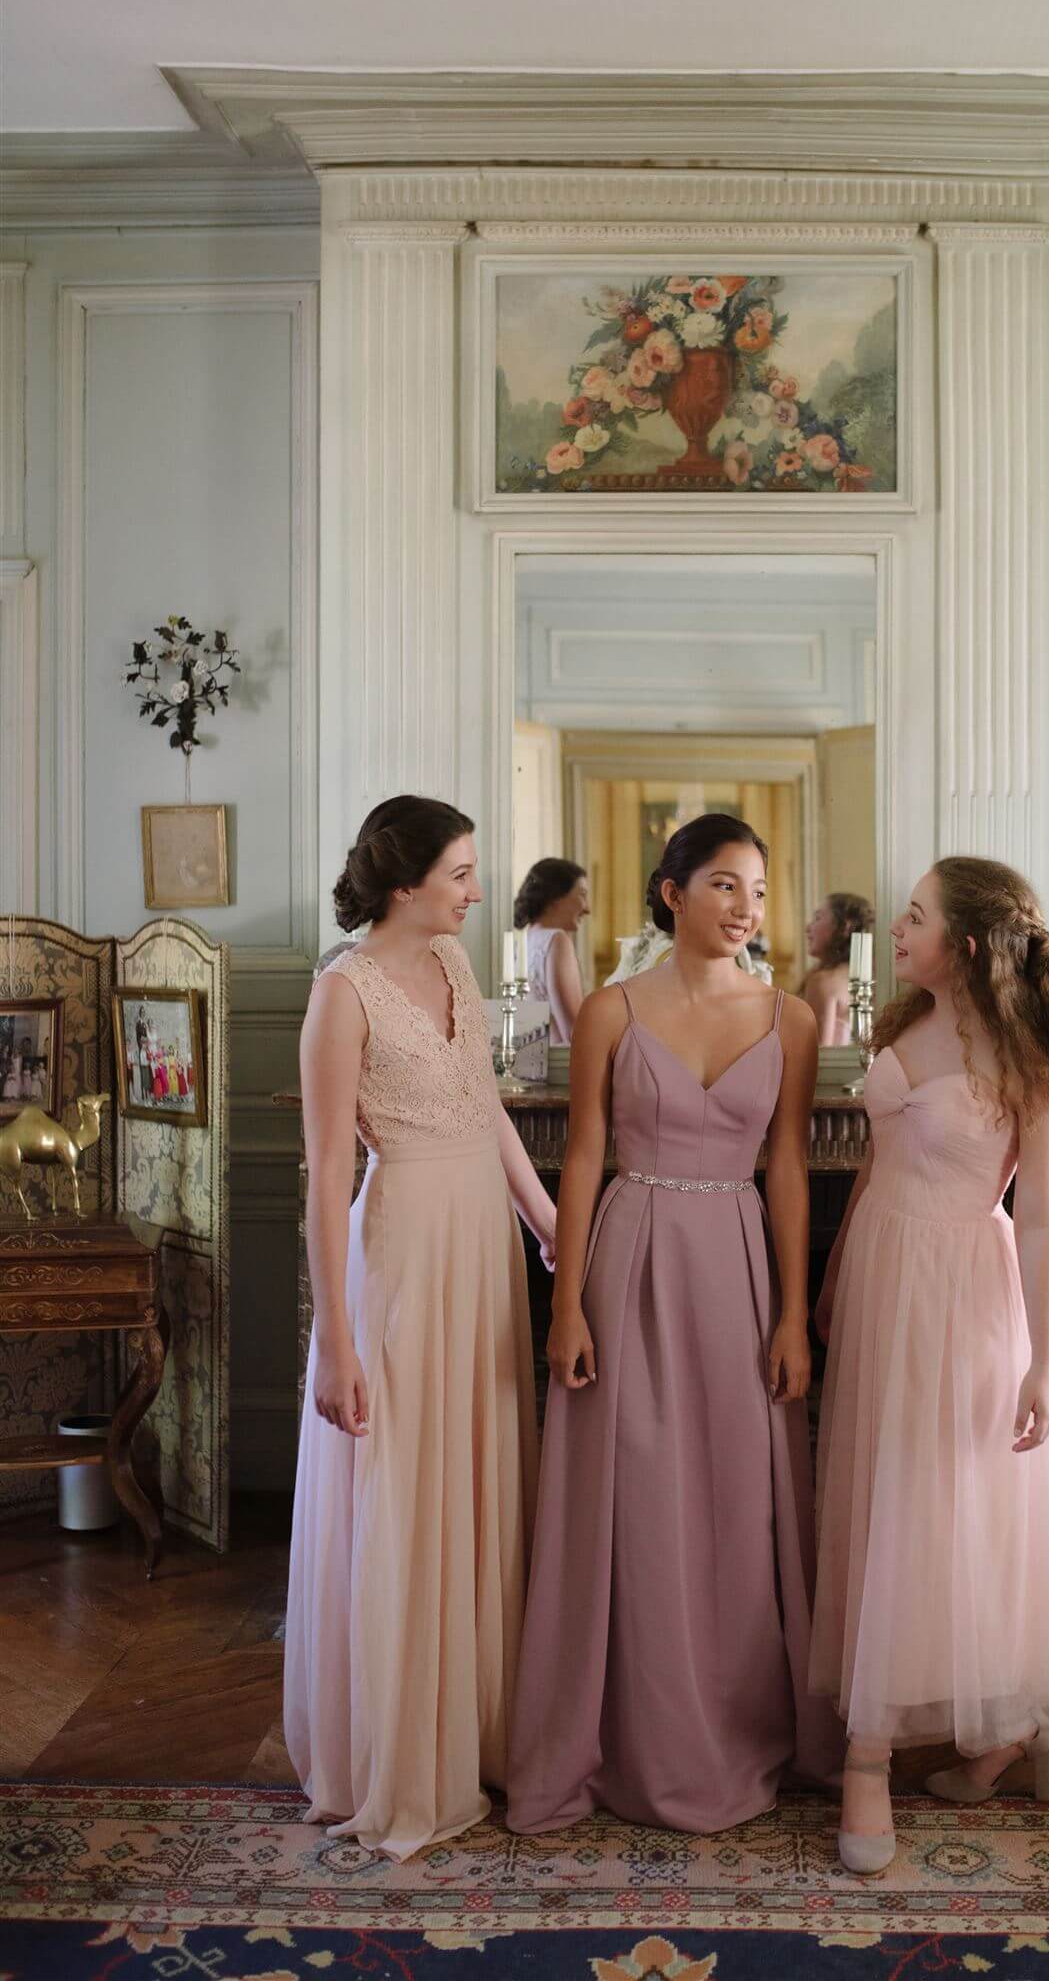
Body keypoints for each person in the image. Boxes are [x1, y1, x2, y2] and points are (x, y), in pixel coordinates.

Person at [508, 813, 842, 1834]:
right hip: (632, 1257)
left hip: (736, 1265)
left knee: (738, 1500)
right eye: (724, 885)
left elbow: (789, 1170)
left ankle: (736, 1725)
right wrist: (565, 1304)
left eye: (757, 890)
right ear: (672, 893)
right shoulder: (609, 1011)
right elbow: (581, 1159)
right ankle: (627, 1732)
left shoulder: (789, 1018)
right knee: (633, 1497)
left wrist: (792, 1316)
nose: (745, 908)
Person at [810, 856, 1049, 1873]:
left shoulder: (1037, 1057)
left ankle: (871, 1755)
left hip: (962, 1290)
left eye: (915, 917)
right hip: (879, 1273)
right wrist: (832, 1278)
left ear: (969, 943)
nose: (897, 931)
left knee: (936, 1503)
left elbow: (1040, 1221)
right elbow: (875, 1163)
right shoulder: (902, 1023)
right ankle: (998, 1731)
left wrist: (1041, 1364)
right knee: (880, 1498)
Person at [285, 794, 556, 1861]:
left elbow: (484, 1108)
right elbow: (323, 1177)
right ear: (404, 885)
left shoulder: (453, 963)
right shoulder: (340, 993)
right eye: (460, 874)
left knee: (473, 1476)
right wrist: (335, 1340)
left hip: (480, 1246)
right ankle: (400, 1754)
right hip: (399, 1253)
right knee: (404, 1488)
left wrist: (543, 1222)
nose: (477, 891)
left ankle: (475, 1731)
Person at [514, 857, 590, 1043]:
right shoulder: (557, 940)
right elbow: (574, 1034)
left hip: (531, 1056)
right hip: (558, 1059)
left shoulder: (524, 940)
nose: (587, 908)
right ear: (556, 898)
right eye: (582, 895)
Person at [798, 892, 875, 1045]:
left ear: (845, 926)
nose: (808, 928)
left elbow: (818, 1052)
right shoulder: (867, 978)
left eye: (818, 918)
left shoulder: (823, 981)